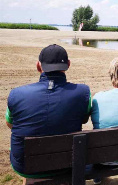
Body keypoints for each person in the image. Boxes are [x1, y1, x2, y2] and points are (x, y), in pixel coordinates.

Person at [5, 44, 91, 183]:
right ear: (68, 65)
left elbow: (10, 124)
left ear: (38, 66)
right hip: (67, 162)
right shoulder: (83, 92)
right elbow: (84, 119)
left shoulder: (16, 94)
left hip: (25, 165)